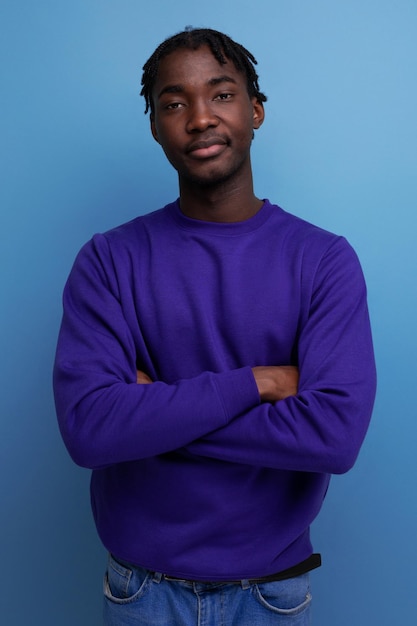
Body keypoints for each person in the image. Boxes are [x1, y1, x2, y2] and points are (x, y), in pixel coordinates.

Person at [53, 27, 376, 625]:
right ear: (155, 126)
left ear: (255, 111)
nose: (199, 118)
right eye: (174, 103)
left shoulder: (323, 259)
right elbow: (89, 429)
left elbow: (334, 437)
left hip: (270, 593)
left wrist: (152, 415)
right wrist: (257, 382)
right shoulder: (108, 260)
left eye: (221, 95)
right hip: (142, 591)